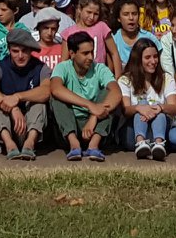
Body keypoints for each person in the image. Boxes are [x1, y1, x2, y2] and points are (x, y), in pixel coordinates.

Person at [48, 30, 121, 161]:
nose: (91, 57)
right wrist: (89, 105)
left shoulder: (100, 68)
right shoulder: (62, 67)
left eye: (92, 52)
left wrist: (94, 116)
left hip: (96, 127)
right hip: (69, 127)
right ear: (72, 54)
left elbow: (116, 92)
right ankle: (74, 144)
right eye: (85, 53)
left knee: (108, 93)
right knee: (56, 98)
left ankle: (94, 145)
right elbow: (55, 88)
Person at [0, 26, 51, 160]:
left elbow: (46, 91)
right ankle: (9, 145)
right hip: (8, 125)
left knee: (39, 103)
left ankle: (30, 144)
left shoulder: (41, 68)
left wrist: (18, 97)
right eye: (15, 51)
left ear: (31, 51)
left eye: (24, 51)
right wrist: (12, 107)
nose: (20, 56)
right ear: (9, 50)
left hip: (32, 125)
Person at [116, 37, 176, 160]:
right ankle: (140, 142)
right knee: (142, 104)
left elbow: (174, 108)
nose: (153, 61)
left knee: (159, 111)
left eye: (155, 57)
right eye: (148, 57)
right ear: (138, 60)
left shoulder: (166, 79)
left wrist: (159, 108)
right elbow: (126, 109)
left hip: (160, 128)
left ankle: (159, 144)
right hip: (132, 131)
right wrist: (140, 108)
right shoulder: (125, 80)